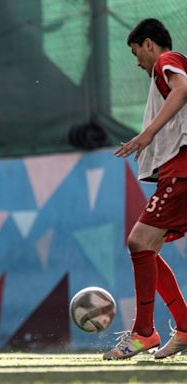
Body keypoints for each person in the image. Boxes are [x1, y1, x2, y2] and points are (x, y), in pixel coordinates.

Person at [105, 18, 187, 360]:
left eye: (136, 51)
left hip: (182, 172)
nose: (137, 61)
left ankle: (143, 332)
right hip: (178, 171)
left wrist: (147, 134)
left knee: (139, 243)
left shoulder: (167, 61)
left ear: (149, 44)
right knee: (146, 248)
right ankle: (183, 327)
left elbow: (182, 88)